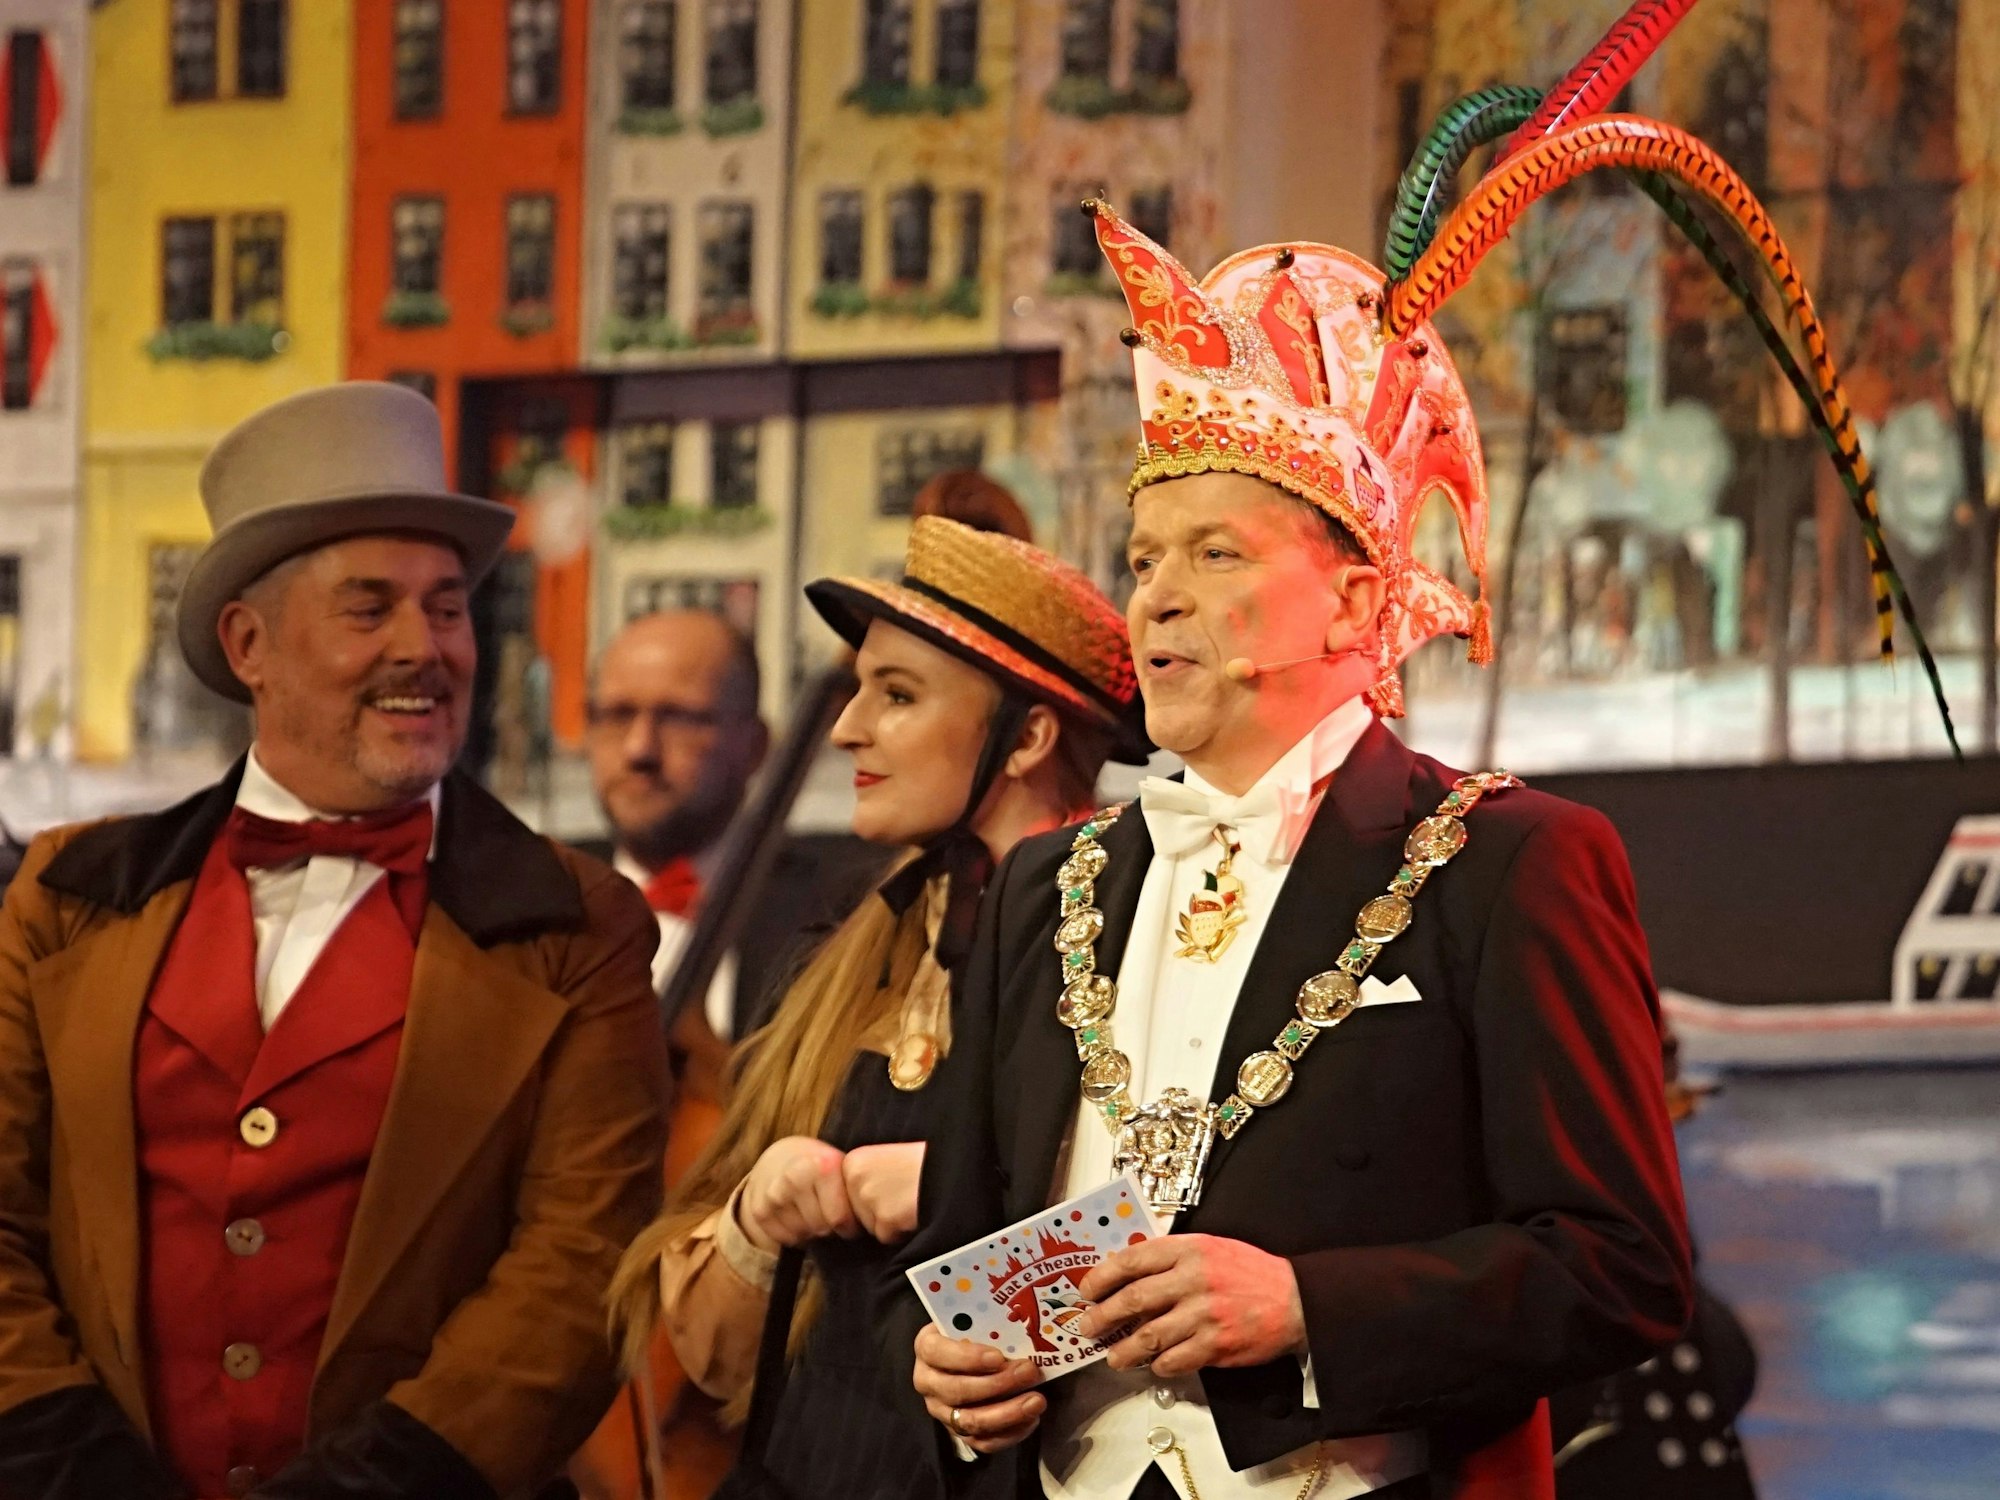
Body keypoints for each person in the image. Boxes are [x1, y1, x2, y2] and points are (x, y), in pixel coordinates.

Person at [892, 204, 1697, 1500]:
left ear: (1353, 602)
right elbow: (955, 1248)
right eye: (1143, 559)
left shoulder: (1507, 861)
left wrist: (1308, 1310)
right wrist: (950, 1372)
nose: (1157, 595)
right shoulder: (1047, 884)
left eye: (1215, 554)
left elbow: (1623, 1268)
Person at [0, 381, 670, 1500]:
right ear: (248, 643)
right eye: (370, 610)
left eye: (446, 609)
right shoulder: (67, 901)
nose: (425, 648)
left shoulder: (575, 928)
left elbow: (578, 1270)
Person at [607, 515, 1149, 1500]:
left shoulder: (1142, 947)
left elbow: (1177, 1249)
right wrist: (753, 1221)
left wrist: (959, 1198)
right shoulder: (846, 951)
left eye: (896, 695)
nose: (847, 727)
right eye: (859, 689)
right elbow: (714, 1359)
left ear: (1028, 736)